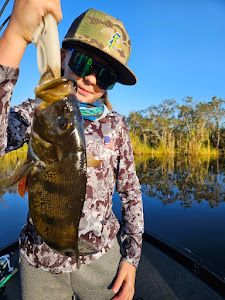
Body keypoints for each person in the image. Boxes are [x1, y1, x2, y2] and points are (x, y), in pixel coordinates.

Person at [0, 1, 144, 300]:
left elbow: (131, 193)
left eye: (105, 76)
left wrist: (131, 259)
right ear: (63, 56)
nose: (91, 79)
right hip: (39, 260)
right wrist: (14, 38)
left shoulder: (115, 126)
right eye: (84, 63)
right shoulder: (37, 112)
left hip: (100, 257)